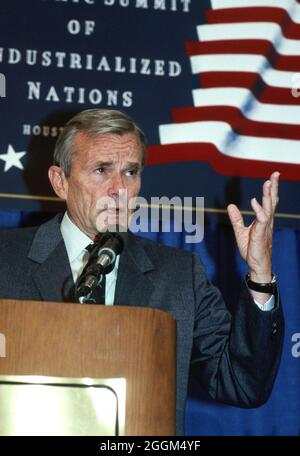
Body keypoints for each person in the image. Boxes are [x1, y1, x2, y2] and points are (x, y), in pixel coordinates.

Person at [0, 109, 283, 435]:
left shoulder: (179, 276)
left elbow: (243, 384)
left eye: (131, 172)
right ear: (59, 181)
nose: (119, 188)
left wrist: (260, 273)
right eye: (101, 170)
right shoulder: (6, 259)